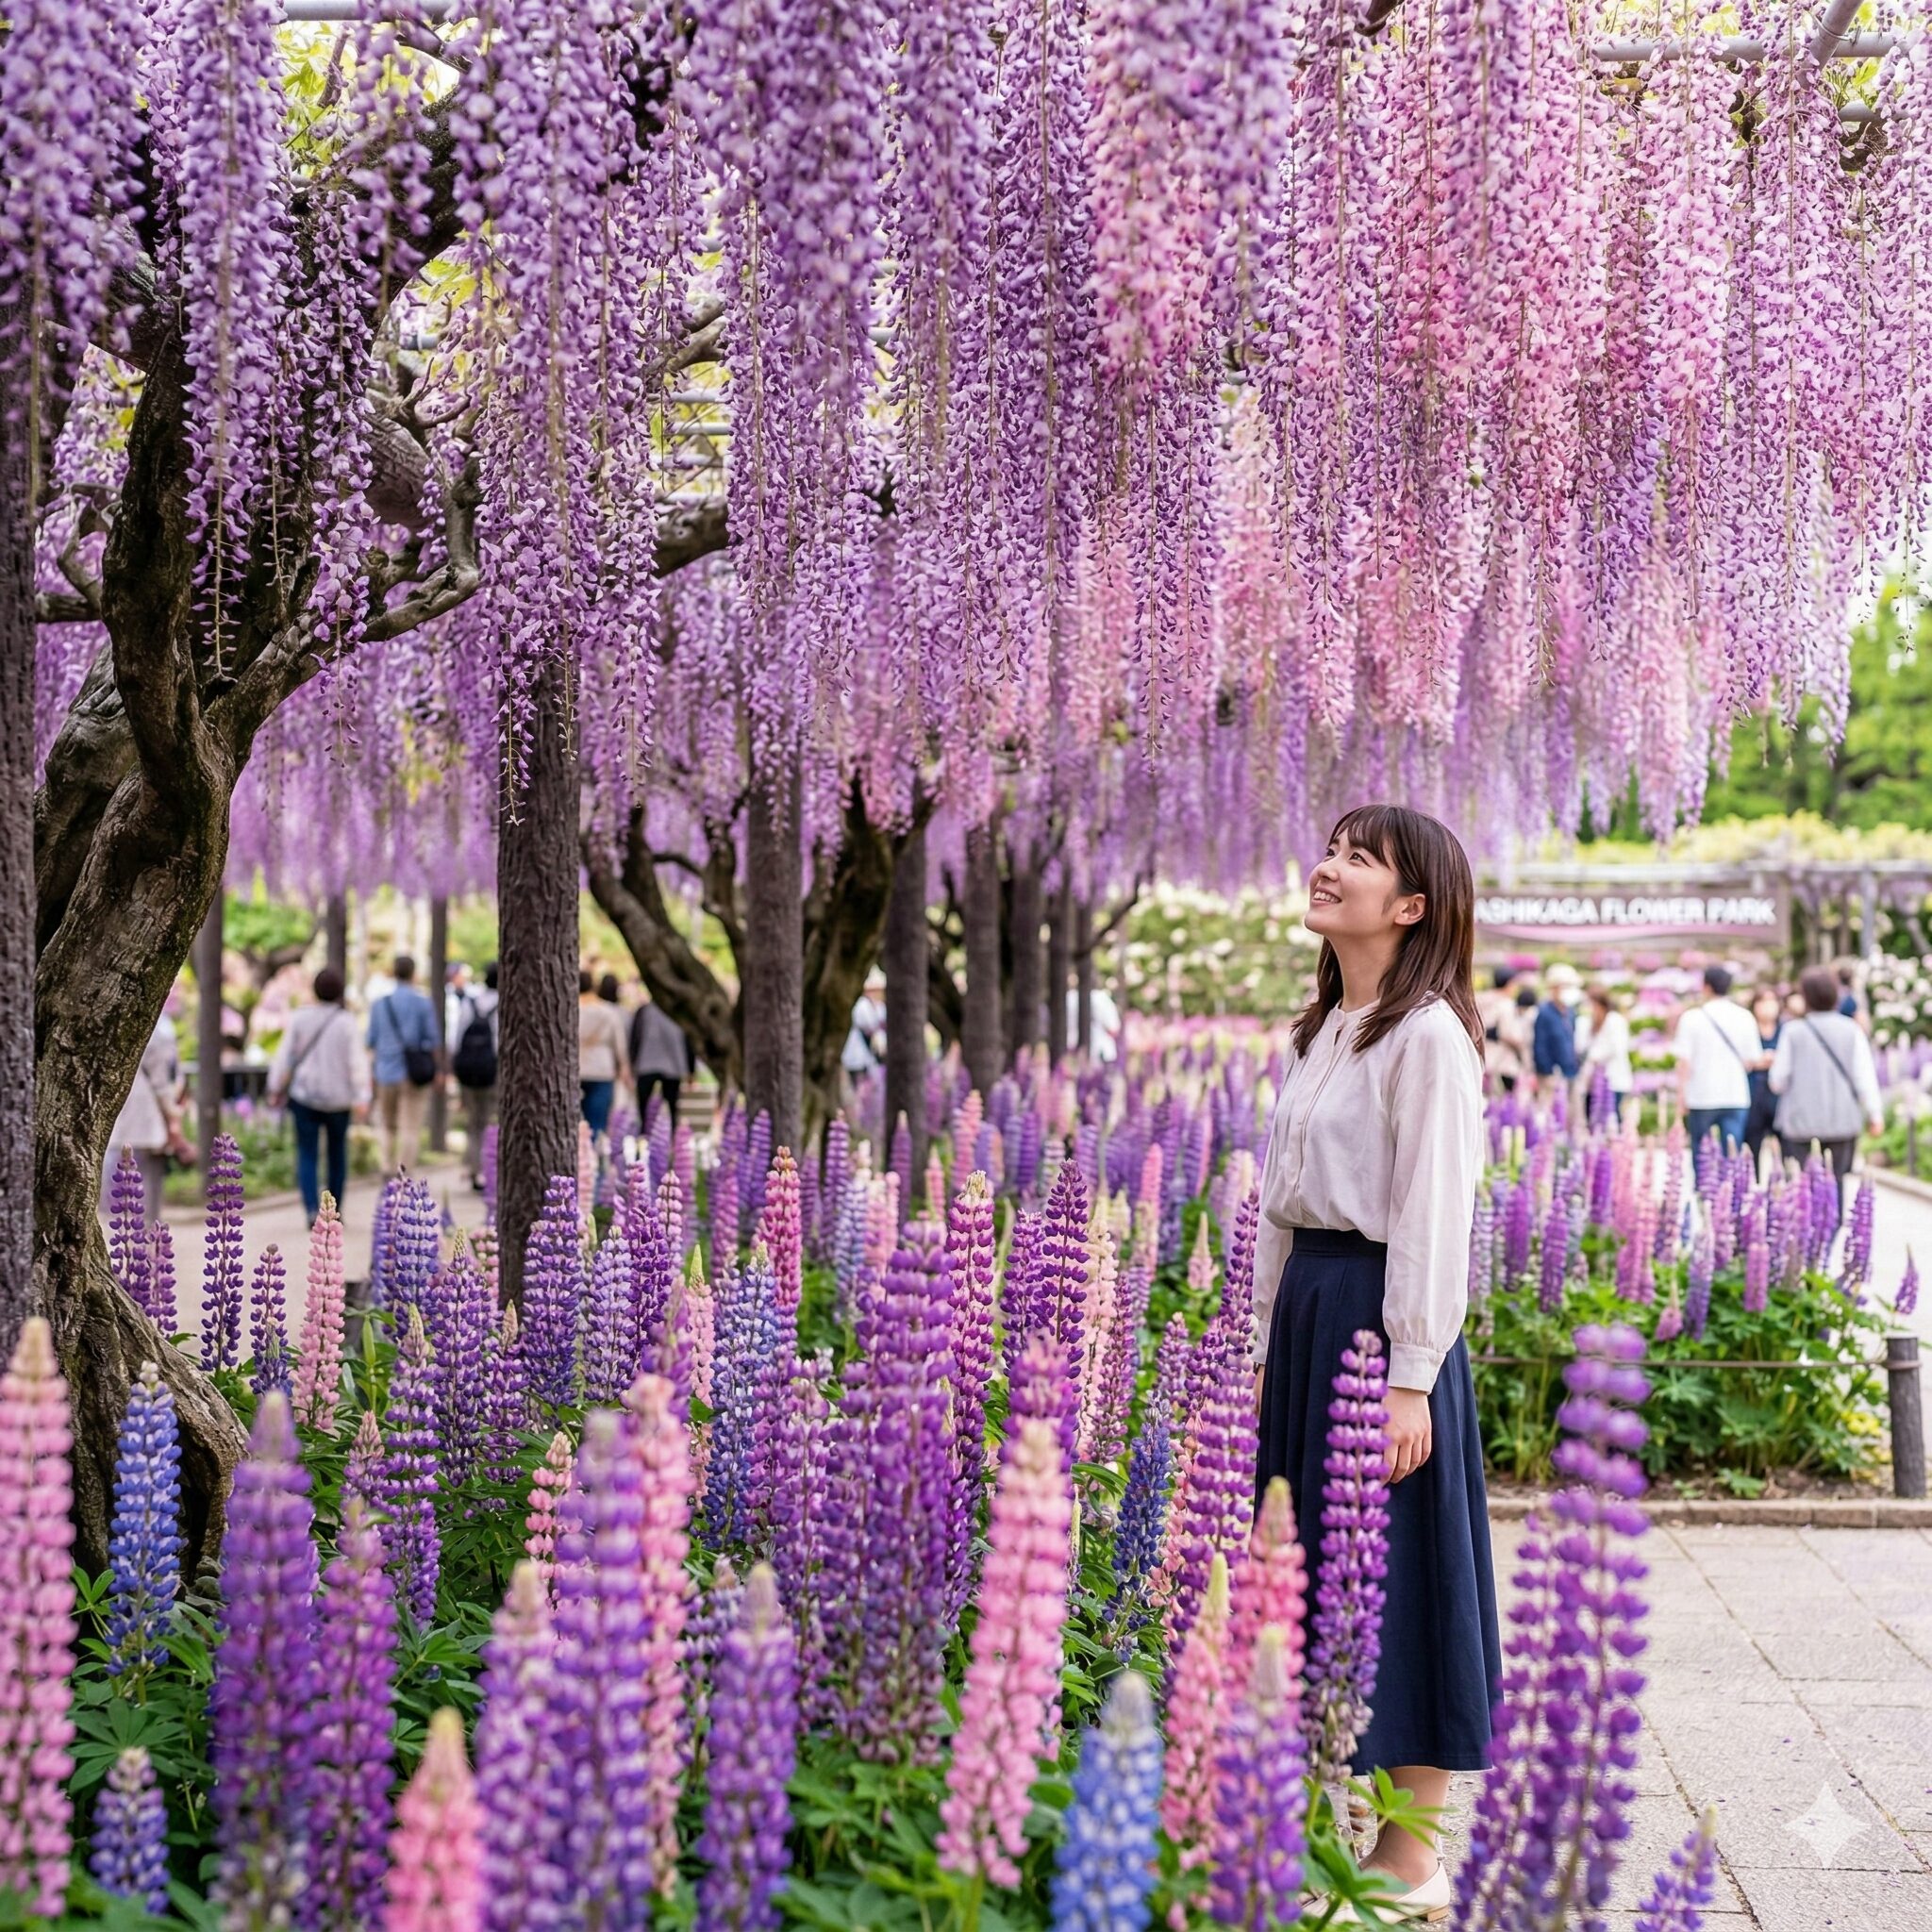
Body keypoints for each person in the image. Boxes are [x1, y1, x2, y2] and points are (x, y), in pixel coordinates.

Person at [1251, 804, 1498, 1920]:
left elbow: (1433, 1214)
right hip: (1309, 1311)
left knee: (1400, 1574)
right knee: (1306, 1572)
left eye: (1358, 857)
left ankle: (1406, 1864)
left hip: (1382, 1318)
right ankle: (1330, 1832)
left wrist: (1410, 1374)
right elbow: (1274, 1214)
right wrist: (1259, 1350)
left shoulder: (1428, 1038)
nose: (1327, 867)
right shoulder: (1317, 1030)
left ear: (1410, 905)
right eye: (1332, 847)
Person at [1770, 965, 1885, 1216]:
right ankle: (1829, 1237)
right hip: (1841, 1121)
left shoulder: (1793, 1031)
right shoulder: (1851, 1030)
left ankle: (1802, 1241)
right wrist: (1875, 1115)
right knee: (1837, 1180)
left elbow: (1777, 1080)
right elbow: (1865, 1077)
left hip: (1800, 1122)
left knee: (1800, 1184)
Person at [267, 968, 370, 1223]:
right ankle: (334, 1210)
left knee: (307, 1153)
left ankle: (312, 1209)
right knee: (337, 1154)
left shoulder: (300, 1018)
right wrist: (361, 1096)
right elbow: (357, 1063)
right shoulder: (346, 1022)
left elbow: (284, 1056)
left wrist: (274, 1087)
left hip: (305, 1096)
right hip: (339, 1100)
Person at [105, 1010, 189, 1221]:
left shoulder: (112, 1018)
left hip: (118, 1115)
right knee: (146, 1192)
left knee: (117, 1197)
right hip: (146, 1118)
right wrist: (173, 1116)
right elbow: (163, 1083)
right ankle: (145, 1243)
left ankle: (125, 1245)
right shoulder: (161, 1029)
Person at [1671, 963, 1759, 1154]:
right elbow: (1752, 1060)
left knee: (1701, 1154)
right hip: (1735, 1095)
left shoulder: (1691, 1018)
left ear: (1706, 986)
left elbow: (1683, 1062)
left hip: (1701, 1095)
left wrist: (1681, 1096)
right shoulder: (1744, 1017)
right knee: (1732, 1153)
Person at [366, 954, 440, 1175]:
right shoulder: (422, 1002)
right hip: (414, 1073)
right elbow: (433, 1040)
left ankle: (386, 1166)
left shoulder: (380, 1004)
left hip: (385, 1072)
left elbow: (370, 1040)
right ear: (413, 973)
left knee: (387, 1125)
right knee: (410, 1127)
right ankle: (403, 1173)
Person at [450, 962, 500, 1191]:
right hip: (494, 1071)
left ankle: (474, 1168)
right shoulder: (504, 1003)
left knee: (473, 1122)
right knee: (492, 1119)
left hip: (469, 1071)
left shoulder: (471, 1001)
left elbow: (457, 1037)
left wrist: (456, 1066)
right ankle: (490, 1171)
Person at [578, 968, 630, 1140]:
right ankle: (593, 1161)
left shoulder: (569, 1011)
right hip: (602, 1071)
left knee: (574, 1123)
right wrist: (623, 1067)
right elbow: (619, 1044)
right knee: (597, 1123)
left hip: (576, 1070)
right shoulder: (608, 1011)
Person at [629, 988, 692, 1124]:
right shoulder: (677, 1014)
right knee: (650, 1108)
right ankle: (648, 1137)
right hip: (657, 1065)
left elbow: (634, 1039)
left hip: (655, 1065)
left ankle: (663, 1137)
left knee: (666, 1107)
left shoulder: (646, 1011)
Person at [1743, 985, 1786, 1168]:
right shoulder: (1746, 1027)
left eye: (1771, 1001)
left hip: (1780, 1095)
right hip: (1753, 1092)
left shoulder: (1786, 1029)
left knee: (1785, 1144)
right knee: (1752, 1143)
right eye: (1762, 1001)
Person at [1582, 984, 1634, 1124]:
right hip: (1594, 1083)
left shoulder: (1615, 1021)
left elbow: (1617, 1048)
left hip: (1614, 1081)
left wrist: (1594, 1056)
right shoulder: (1591, 1023)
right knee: (1596, 1120)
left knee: (1612, 1120)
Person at [1531, 964, 1580, 1093]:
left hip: (1569, 1071)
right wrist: (1547, 1071)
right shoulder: (1545, 1012)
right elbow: (1540, 1045)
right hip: (1550, 1075)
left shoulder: (1570, 1012)